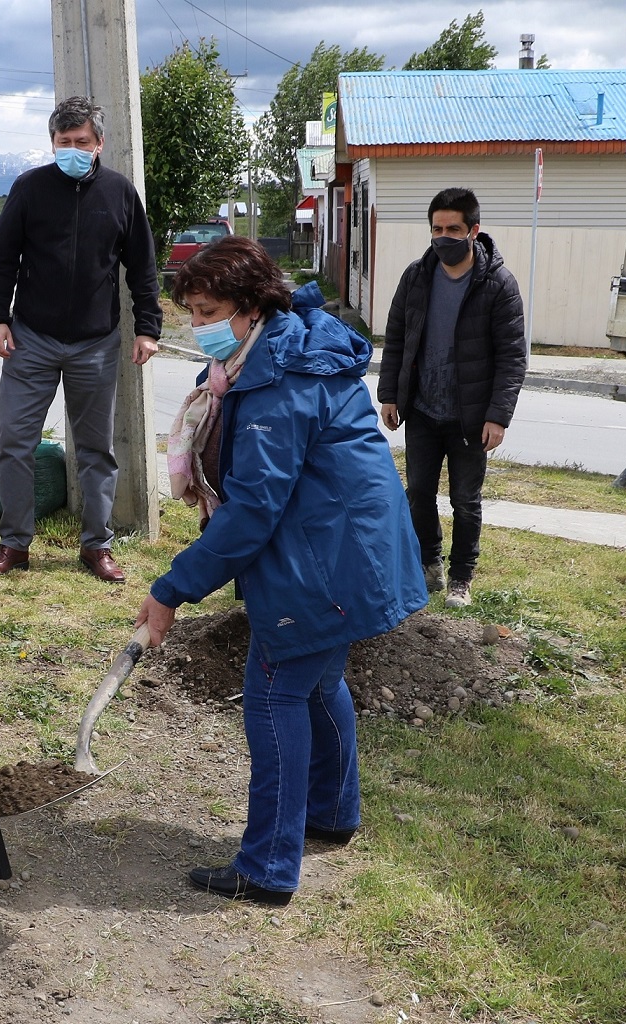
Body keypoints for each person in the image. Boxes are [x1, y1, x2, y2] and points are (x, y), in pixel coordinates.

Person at [136, 238, 428, 906]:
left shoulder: (277, 380)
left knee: (274, 691)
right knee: (319, 681)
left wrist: (170, 589)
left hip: (326, 558)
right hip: (347, 547)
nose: (196, 326)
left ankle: (267, 866)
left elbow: (253, 509)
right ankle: (330, 812)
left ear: (248, 308)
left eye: (207, 311)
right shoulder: (274, 351)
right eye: (189, 313)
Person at [0, 95, 162, 582]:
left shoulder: (120, 193)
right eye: (65, 142)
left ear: (99, 144)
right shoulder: (30, 188)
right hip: (30, 338)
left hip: (96, 344)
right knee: (14, 441)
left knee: (95, 449)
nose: (74, 149)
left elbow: (142, 267)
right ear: (53, 143)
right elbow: (1, 260)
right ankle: (14, 544)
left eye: (83, 142)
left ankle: (96, 546)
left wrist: (148, 328)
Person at [376, 187, 525, 608]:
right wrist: (390, 394)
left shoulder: (498, 284)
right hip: (422, 409)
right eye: (437, 228)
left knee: (465, 500)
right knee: (419, 492)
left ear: (473, 231)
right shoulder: (417, 276)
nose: (443, 236)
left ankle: (462, 577)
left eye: (453, 229)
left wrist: (498, 416)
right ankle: (429, 565)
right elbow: (398, 337)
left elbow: (513, 357)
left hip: (471, 417)